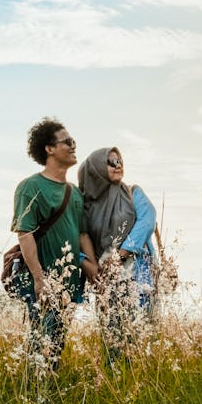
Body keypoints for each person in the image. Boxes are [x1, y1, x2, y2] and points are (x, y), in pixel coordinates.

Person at [11, 118, 97, 370]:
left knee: (56, 349)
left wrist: (92, 268)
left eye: (74, 142)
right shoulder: (30, 187)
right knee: (39, 347)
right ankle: (33, 400)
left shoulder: (75, 192)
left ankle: (47, 402)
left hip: (70, 284)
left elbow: (82, 235)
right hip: (44, 282)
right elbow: (24, 234)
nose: (73, 146)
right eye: (67, 141)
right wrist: (39, 280)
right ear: (49, 148)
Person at [77, 146, 157, 362]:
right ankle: (115, 381)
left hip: (137, 273)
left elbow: (147, 221)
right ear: (95, 170)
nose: (118, 165)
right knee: (111, 334)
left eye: (119, 160)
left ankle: (142, 382)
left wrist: (121, 255)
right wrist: (89, 264)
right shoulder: (84, 204)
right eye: (110, 162)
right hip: (106, 278)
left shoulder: (133, 193)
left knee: (140, 333)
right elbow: (78, 237)